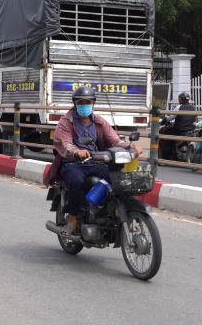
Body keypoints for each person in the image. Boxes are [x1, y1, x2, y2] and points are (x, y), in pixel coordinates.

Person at [53, 86, 139, 235]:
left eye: (88, 102)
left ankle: (117, 212)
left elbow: (114, 140)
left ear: (93, 103)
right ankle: (72, 218)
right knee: (76, 181)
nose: (85, 105)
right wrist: (77, 151)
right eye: (81, 102)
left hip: (96, 161)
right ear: (75, 103)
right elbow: (65, 144)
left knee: (118, 178)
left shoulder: (99, 121)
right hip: (73, 163)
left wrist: (130, 147)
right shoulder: (65, 122)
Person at [161, 92, 196, 160]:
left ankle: (165, 157)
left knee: (166, 135)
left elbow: (170, 117)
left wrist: (164, 120)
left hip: (179, 130)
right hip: (189, 130)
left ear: (180, 99)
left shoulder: (179, 107)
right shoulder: (193, 108)